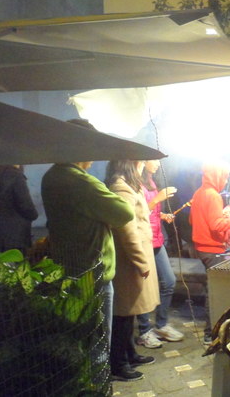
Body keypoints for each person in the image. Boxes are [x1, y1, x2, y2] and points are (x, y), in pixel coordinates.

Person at [42, 119, 134, 359]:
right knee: (97, 345)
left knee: (78, 342)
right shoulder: (81, 182)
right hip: (92, 274)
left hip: (67, 266)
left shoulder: (51, 176)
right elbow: (124, 213)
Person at [106, 160, 159, 381]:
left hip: (134, 257)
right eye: (141, 162)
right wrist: (140, 261)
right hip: (129, 260)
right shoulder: (121, 188)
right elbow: (126, 229)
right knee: (123, 313)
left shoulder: (128, 185)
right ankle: (118, 364)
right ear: (131, 163)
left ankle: (130, 354)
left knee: (130, 311)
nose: (143, 166)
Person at [135, 159, 184, 349]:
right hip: (144, 240)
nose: (157, 164)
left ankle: (161, 325)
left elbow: (150, 212)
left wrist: (161, 215)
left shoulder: (150, 180)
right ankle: (144, 331)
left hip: (156, 238)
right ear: (142, 160)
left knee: (169, 281)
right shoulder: (135, 182)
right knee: (144, 286)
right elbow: (136, 213)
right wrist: (158, 199)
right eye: (153, 160)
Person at [190, 162, 230, 342]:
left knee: (212, 288)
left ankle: (213, 331)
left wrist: (222, 217)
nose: (225, 181)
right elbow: (216, 225)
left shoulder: (199, 192)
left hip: (202, 248)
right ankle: (211, 333)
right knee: (216, 291)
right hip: (212, 249)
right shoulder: (213, 195)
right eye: (224, 177)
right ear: (216, 176)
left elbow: (192, 219)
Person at [0, 165, 38, 252]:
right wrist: (34, 215)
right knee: (16, 259)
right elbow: (26, 205)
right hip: (16, 234)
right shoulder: (16, 176)